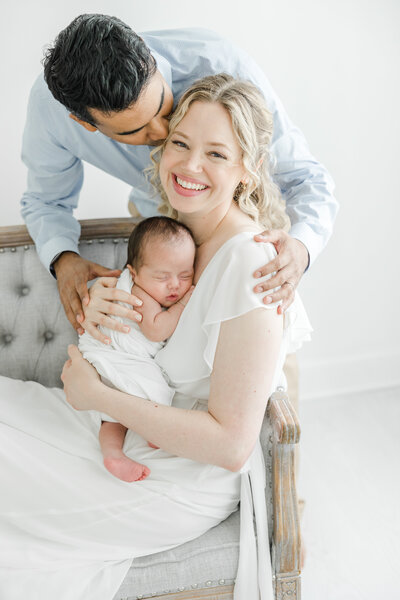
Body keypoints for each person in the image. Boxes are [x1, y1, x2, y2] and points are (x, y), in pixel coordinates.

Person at [0, 73, 311, 600]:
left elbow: (231, 446)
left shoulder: (252, 264)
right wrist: (106, 311)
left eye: (216, 153)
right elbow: (154, 341)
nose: (190, 166)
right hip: (134, 428)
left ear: (247, 170)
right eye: (181, 144)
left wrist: (98, 395)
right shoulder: (182, 237)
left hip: (179, 479)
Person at [21, 13, 337, 336]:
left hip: (248, 230)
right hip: (160, 234)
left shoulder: (221, 64)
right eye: (136, 130)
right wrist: (63, 257)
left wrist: (301, 248)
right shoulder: (50, 113)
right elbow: (45, 200)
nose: (162, 132)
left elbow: (307, 180)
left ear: (146, 52)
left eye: (162, 105)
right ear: (86, 124)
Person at [79, 216, 196, 483]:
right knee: (154, 391)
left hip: (109, 361)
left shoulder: (150, 284)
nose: (175, 285)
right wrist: (182, 306)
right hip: (118, 357)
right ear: (133, 274)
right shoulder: (139, 294)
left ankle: (112, 454)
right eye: (162, 277)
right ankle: (155, 432)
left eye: (185, 275)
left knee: (112, 419)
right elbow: (156, 329)